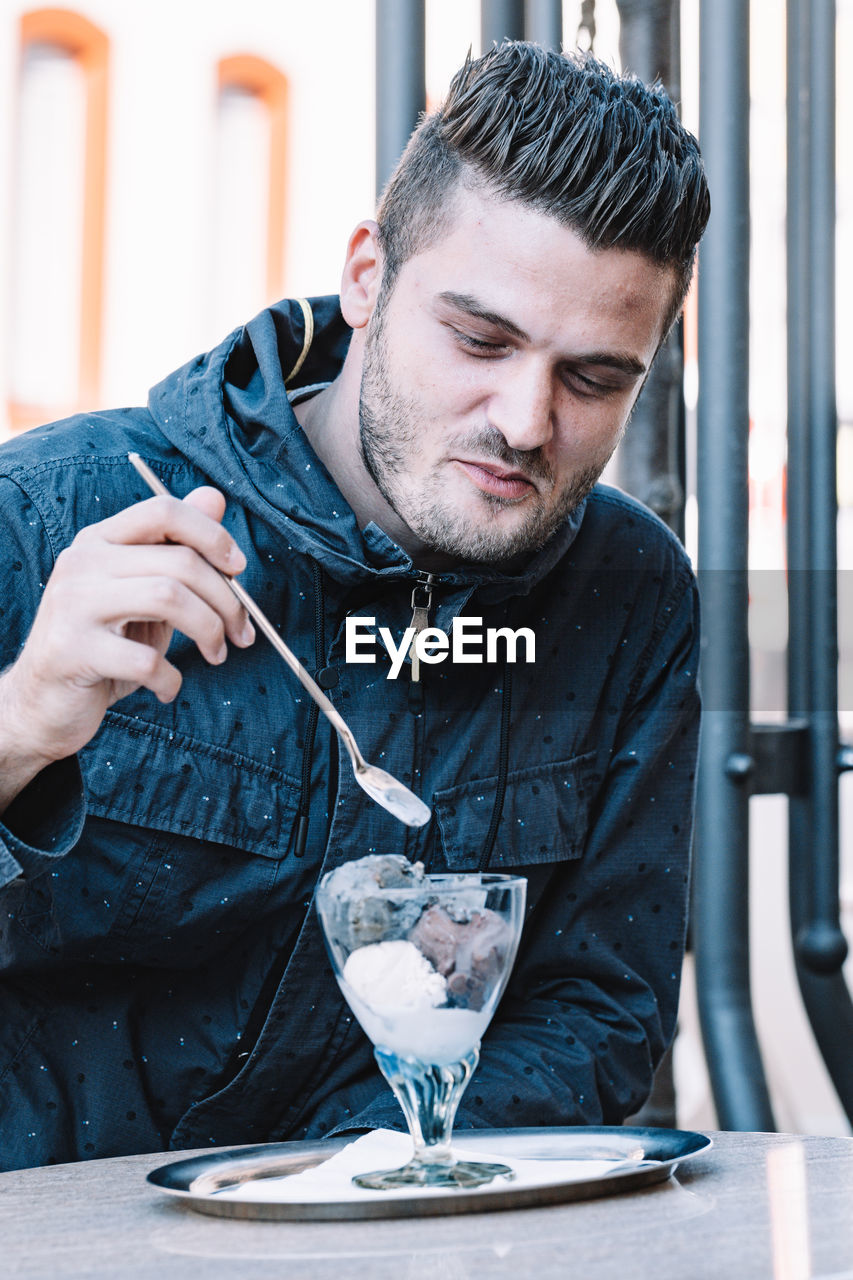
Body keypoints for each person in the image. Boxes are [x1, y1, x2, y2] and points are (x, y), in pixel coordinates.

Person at [0, 41, 709, 1172]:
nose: (524, 422)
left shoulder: (629, 597)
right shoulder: (51, 513)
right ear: (368, 278)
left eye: (591, 379)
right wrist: (19, 726)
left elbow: (598, 1007)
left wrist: (348, 1188)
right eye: (478, 339)